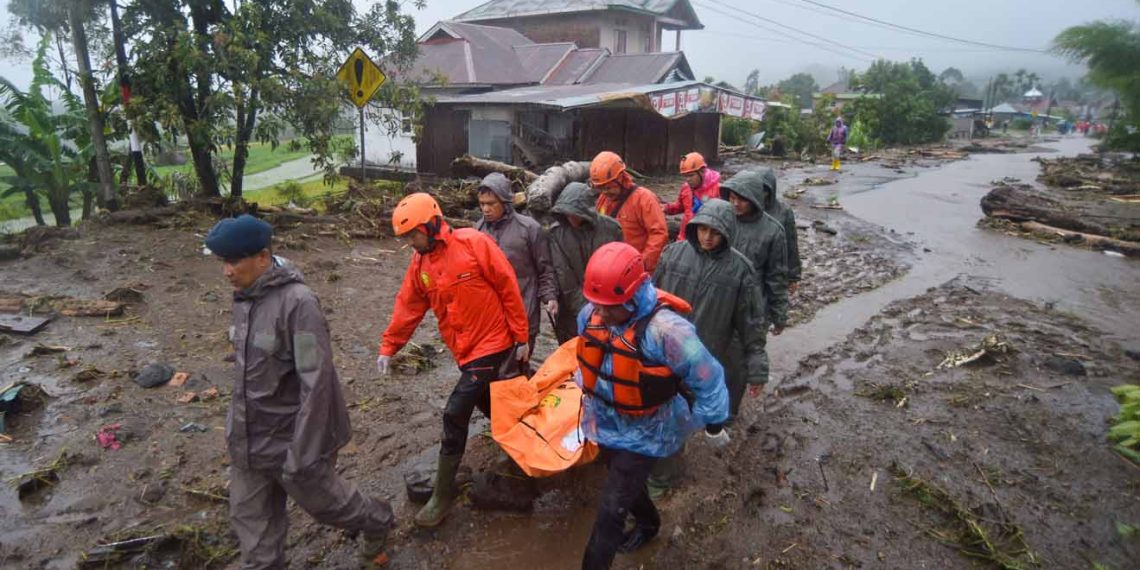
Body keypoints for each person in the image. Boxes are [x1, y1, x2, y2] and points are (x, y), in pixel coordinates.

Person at [206, 215, 392, 569]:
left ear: (263, 257)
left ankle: (377, 520)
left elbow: (316, 379)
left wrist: (304, 450)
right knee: (253, 533)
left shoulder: (298, 304)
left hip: (292, 439)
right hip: (249, 442)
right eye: (222, 262)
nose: (226, 272)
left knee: (329, 506)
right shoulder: (243, 298)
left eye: (233, 262)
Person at [377, 193, 529, 528]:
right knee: (489, 401)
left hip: (493, 342)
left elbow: (507, 286)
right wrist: (389, 347)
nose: (410, 243)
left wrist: (521, 336)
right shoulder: (420, 265)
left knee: (455, 411)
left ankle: (442, 495)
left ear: (432, 225)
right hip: (464, 349)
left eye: (413, 235)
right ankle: (524, 447)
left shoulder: (473, 243)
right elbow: (408, 307)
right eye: (406, 238)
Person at [576, 242, 730, 570]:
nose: (600, 313)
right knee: (622, 484)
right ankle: (649, 523)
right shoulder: (591, 314)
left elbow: (707, 374)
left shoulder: (668, 332)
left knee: (610, 511)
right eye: (596, 304)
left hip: (647, 429)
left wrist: (715, 422)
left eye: (610, 307)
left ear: (632, 297)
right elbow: (589, 356)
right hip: (605, 420)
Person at [653, 199, 768, 419]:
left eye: (715, 232)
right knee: (665, 401)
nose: (707, 237)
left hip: (708, 350)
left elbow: (751, 323)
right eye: (703, 229)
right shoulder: (673, 253)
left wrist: (757, 370)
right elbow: (652, 298)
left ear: (727, 232)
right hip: (667, 347)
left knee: (701, 402)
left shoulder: (741, 270)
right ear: (695, 227)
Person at [475, 172, 558, 354]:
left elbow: (545, 268)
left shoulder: (529, 229)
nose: (485, 209)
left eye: (491, 204)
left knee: (520, 365)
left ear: (505, 202)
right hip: (491, 318)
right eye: (482, 204)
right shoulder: (478, 231)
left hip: (525, 311)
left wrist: (549, 296)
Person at [721, 169, 790, 384]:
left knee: (740, 358)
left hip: (751, 304)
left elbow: (776, 277)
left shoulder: (773, 231)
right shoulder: (723, 220)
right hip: (720, 298)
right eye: (732, 198)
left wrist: (779, 314)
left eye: (741, 199)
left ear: (754, 199)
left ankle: (734, 397)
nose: (735, 204)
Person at [548, 181, 624, 344]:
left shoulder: (611, 229)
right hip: (571, 309)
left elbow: (620, 268)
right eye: (567, 214)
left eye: (575, 214)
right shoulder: (557, 234)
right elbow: (564, 275)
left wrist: (604, 307)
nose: (571, 218)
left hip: (608, 303)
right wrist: (587, 310)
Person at [591, 151, 669, 272]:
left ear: (620, 178)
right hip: (611, 268)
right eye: (601, 188)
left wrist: (641, 264)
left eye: (608, 187)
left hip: (637, 270)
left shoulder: (644, 199)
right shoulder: (603, 199)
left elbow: (659, 234)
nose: (605, 192)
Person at [662, 152, 722, 242]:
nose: (688, 179)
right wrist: (666, 208)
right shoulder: (686, 188)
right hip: (684, 238)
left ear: (702, 171)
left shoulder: (718, 190)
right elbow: (680, 206)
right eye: (685, 176)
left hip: (704, 241)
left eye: (691, 175)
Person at [759, 172, 802, 295]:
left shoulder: (783, 212)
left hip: (776, 268)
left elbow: (791, 243)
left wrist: (793, 276)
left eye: (765, 190)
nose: (761, 194)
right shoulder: (747, 208)